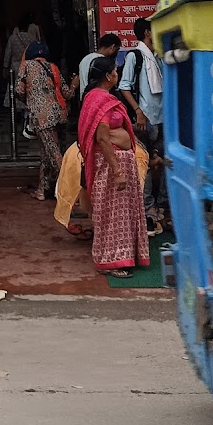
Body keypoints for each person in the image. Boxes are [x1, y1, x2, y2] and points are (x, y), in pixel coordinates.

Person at [78, 56, 149, 278]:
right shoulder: (100, 101)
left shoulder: (100, 98)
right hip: (110, 168)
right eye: (116, 71)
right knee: (112, 215)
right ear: (108, 76)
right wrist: (117, 170)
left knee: (121, 214)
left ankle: (123, 257)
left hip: (116, 164)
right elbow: (103, 138)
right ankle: (112, 260)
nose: (117, 75)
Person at [118, 17, 165, 232]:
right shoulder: (135, 57)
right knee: (144, 163)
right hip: (144, 119)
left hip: (160, 118)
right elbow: (124, 86)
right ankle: (147, 208)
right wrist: (138, 112)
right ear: (147, 32)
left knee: (159, 162)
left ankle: (157, 203)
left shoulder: (156, 57)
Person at [17, 41, 78, 200]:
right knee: (46, 153)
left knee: (55, 155)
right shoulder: (54, 67)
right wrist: (74, 85)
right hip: (60, 114)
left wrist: (31, 101)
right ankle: (42, 190)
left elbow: (18, 90)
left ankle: (72, 192)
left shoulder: (26, 66)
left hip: (42, 117)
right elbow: (68, 94)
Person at [3, 14, 37, 115]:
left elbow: (7, 54)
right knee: (27, 88)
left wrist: (5, 67)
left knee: (15, 88)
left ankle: (16, 111)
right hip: (28, 66)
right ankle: (26, 112)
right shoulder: (31, 39)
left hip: (15, 67)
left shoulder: (12, 38)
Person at [78, 34, 121, 98]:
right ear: (112, 47)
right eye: (117, 49)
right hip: (98, 99)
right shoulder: (103, 63)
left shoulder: (85, 59)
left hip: (85, 99)